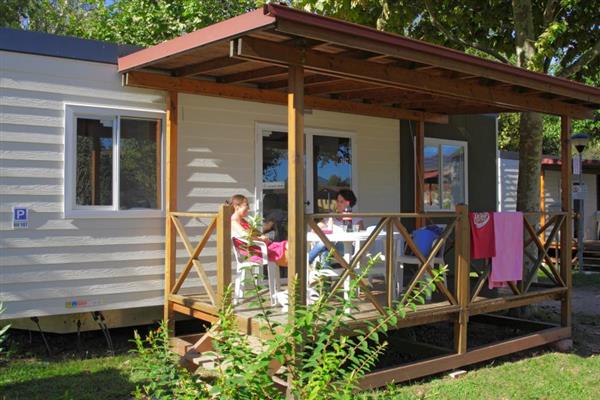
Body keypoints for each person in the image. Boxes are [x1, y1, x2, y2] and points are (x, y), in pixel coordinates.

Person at [229, 194, 288, 267]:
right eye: (246, 205)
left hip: (260, 248)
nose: (248, 208)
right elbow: (247, 236)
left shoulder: (242, 220)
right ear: (236, 207)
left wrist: (264, 235)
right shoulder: (234, 222)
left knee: (289, 245)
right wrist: (261, 239)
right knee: (290, 252)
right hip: (254, 252)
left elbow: (256, 233)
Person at [308, 189, 363, 266]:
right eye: (337, 201)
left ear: (348, 203)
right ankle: (325, 272)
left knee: (325, 243)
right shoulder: (331, 216)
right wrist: (325, 224)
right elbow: (316, 228)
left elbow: (360, 235)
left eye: (341, 202)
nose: (338, 204)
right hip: (330, 246)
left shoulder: (355, 218)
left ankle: (306, 261)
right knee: (326, 250)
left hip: (347, 247)